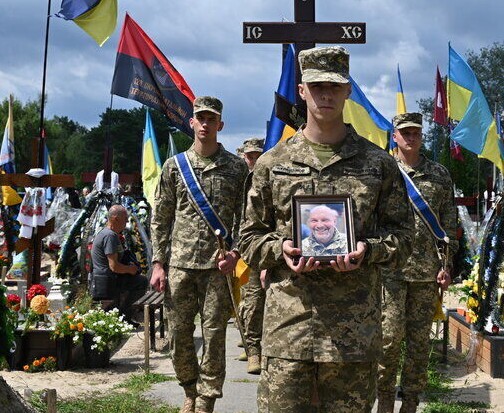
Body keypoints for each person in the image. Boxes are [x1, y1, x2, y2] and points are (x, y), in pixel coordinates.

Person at [239, 46, 414, 413]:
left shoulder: (378, 164)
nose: (325, 95)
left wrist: (369, 251)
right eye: (316, 86)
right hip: (289, 328)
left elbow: (404, 238)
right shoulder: (273, 163)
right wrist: (281, 249)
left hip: (352, 333)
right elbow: (249, 237)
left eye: (334, 87)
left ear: (348, 90)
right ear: (301, 91)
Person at [150, 96, 248, 413]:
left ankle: (206, 397)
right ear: (191, 122)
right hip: (179, 264)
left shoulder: (235, 168)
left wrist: (236, 254)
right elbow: (161, 217)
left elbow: (247, 218)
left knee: (215, 333)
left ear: (220, 125)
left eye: (211, 119)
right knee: (179, 334)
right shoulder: (175, 167)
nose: (205, 124)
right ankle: (189, 390)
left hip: (217, 267)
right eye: (200, 118)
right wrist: (157, 263)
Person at [377, 112, 457, 413]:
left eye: (416, 133)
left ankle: (410, 402)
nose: (411, 138)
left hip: (426, 272)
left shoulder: (438, 174)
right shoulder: (382, 170)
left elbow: (449, 222)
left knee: (419, 344)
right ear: (394, 136)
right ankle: (384, 401)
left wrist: (447, 265)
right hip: (389, 270)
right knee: (387, 341)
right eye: (405, 133)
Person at [236, 137, 267, 374]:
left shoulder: (270, 174)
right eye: (250, 156)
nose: (253, 159)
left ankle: (266, 348)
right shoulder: (239, 179)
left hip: (267, 245)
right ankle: (253, 351)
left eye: (257, 155)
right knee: (251, 300)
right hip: (244, 247)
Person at [90, 205, 147, 323]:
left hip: (109, 278)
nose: (127, 221)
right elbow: (114, 266)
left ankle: (123, 316)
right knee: (141, 282)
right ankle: (124, 316)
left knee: (138, 280)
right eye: (125, 218)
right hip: (108, 281)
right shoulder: (110, 236)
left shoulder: (108, 234)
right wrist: (130, 269)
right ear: (116, 219)